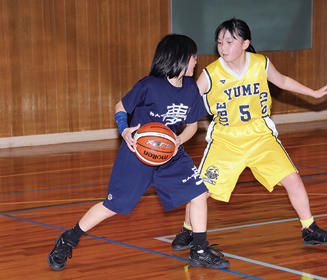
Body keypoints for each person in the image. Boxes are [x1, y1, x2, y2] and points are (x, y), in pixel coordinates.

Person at [47, 34, 230, 271]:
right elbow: (120, 107)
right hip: (137, 155)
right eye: (193, 56)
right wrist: (124, 132)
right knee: (112, 206)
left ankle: (200, 250)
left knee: (199, 193)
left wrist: (178, 141)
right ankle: (68, 239)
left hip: (170, 155)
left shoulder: (191, 89)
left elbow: (193, 125)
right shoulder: (149, 85)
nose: (196, 61)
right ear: (180, 57)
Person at [172, 19, 327, 251]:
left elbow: (281, 81)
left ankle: (309, 229)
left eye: (230, 41)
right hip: (226, 139)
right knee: (200, 190)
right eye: (219, 42)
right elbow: (188, 99)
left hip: (260, 135)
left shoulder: (260, 63)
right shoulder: (211, 73)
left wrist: (313, 92)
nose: (223, 47)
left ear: (245, 43)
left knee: (293, 178)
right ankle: (188, 231)